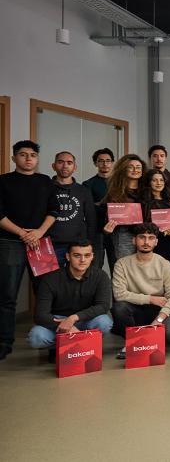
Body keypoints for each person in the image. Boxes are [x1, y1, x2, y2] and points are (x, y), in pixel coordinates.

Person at [0, 140, 58, 360]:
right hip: (10, 242)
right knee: (7, 296)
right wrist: (22, 234)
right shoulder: (3, 181)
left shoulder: (45, 182)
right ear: (14, 158)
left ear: (37, 158)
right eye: (23, 154)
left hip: (40, 243)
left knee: (46, 294)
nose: (28, 159)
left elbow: (54, 211)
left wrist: (39, 232)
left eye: (32, 155)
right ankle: (4, 342)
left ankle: (50, 342)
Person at [27, 240, 113, 362]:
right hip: (58, 322)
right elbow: (40, 315)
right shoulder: (50, 278)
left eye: (87, 255)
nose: (82, 260)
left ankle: (82, 347)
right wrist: (66, 325)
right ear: (68, 256)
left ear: (92, 257)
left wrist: (73, 318)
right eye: (77, 255)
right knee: (36, 337)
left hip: (84, 320)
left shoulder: (100, 276)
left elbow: (103, 306)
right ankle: (59, 348)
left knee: (104, 322)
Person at [111, 222, 170, 359]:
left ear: (156, 242)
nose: (146, 242)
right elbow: (119, 294)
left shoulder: (165, 264)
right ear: (134, 240)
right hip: (134, 309)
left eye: (151, 238)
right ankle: (134, 341)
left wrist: (159, 320)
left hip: (158, 310)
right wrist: (150, 298)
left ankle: (142, 339)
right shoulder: (122, 264)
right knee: (119, 308)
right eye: (142, 237)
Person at [48, 151, 97, 266]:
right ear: (53, 166)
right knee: (50, 277)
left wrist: (89, 244)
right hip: (50, 245)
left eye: (69, 163)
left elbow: (91, 219)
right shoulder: (45, 188)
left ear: (75, 167)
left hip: (77, 245)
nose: (65, 165)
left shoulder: (83, 190)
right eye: (60, 162)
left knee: (76, 277)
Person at [101, 154, 146, 263]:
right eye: (131, 167)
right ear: (124, 169)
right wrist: (107, 228)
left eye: (138, 167)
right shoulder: (115, 191)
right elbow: (106, 215)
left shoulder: (147, 189)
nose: (135, 170)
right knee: (125, 265)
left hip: (145, 233)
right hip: (123, 234)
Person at [83, 148, 115, 270]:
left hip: (115, 229)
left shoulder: (120, 183)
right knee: (95, 266)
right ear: (95, 163)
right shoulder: (88, 184)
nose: (105, 164)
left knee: (117, 266)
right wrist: (110, 206)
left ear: (112, 163)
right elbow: (88, 208)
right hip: (96, 230)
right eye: (101, 161)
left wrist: (99, 204)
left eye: (108, 160)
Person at [140, 169, 170, 260]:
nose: (159, 183)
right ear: (149, 182)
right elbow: (139, 226)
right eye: (154, 180)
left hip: (169, 244)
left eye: (161, 180)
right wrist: (161, 231)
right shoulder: (143, 202)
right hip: (151, 244)